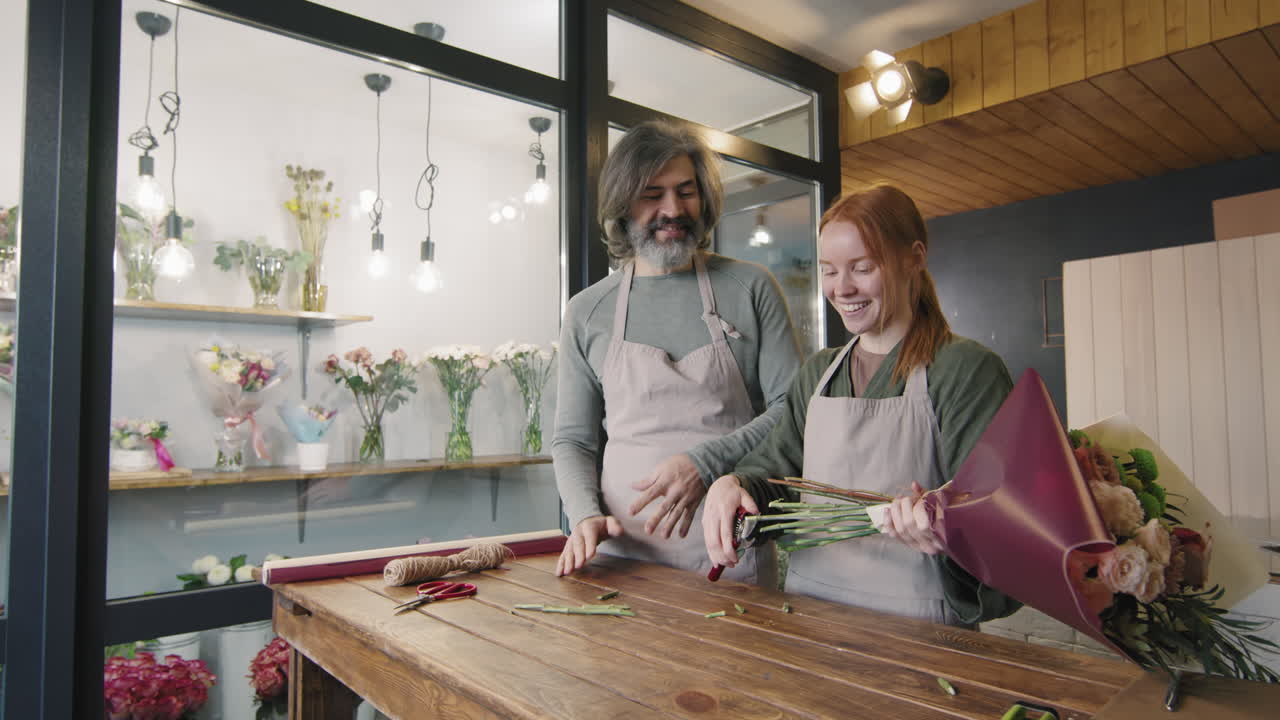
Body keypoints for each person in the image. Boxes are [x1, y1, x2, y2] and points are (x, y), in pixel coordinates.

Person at [703, 184, 1021, 625]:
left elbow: (1004, 524)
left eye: (862, 267)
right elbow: (775, 472)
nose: (842, 288)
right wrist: (734, 485)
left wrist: (944, 526)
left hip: (921, 631)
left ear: (914, 258)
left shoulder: (965, 371)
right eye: (829, 271)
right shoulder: (818, 374)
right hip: (810, 614)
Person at [552, 119, 801, 582]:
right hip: (620, 560)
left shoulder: (750, 288)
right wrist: (584, 513)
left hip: (728, 557)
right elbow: (573, 439)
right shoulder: (587, 311)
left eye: (686, 191)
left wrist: (704, 464)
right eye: (653, 194)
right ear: (623, 203)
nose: (673, 209)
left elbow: (792, 410)